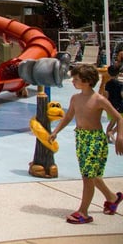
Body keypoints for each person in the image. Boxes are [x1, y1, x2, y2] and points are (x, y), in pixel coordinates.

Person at [48, 63, 123, 223]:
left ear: (88, 81)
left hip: (95, 140)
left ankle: (83, 212)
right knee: (92, 175)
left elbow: (119, 117)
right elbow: (68, 117)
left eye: (76, 79)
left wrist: (120, 137)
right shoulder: (75, 98)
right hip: (81, 138)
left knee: (87, 176)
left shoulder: (99, 99)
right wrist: (55, 132)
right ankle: (112, 198)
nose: (73, 81)